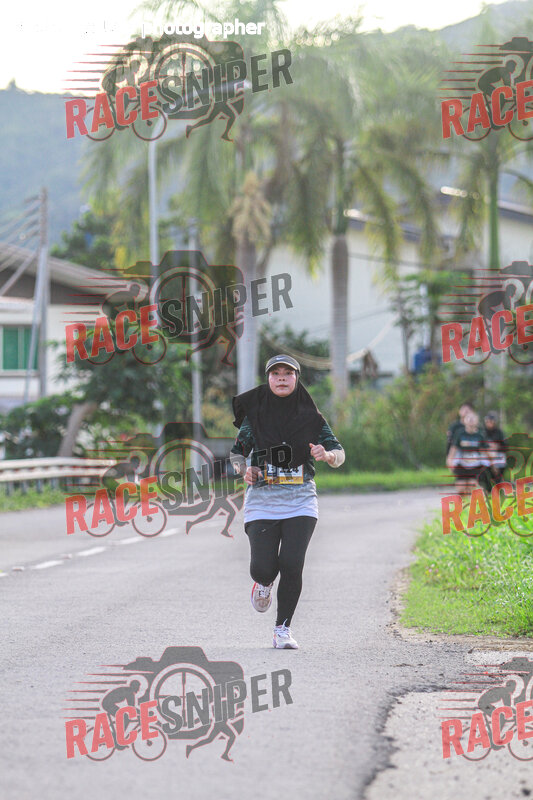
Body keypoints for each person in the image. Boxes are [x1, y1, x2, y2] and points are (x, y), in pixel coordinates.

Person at [230, 354, 345, 650]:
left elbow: (339, 453)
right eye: (276, 373)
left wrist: (327, 455)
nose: (282, 377)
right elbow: (236, 454)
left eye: (288, 373)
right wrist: (244, 471)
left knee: (293, 564)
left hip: (300, 501)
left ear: (297, 378)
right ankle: (264, 583)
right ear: (268, 379)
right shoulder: (255, 417)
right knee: (263, 568)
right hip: (262, 502)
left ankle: (282, 629)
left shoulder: (312, 418)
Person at [446, 410, 491, 495]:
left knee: (472, 486)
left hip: (475, 464)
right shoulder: (459, 433)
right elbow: (453, 449)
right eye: (469, 418)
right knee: (461, 488)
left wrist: (491, 463)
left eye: (473, 418)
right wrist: (450, 461)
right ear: (464, 420)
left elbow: (486, 451)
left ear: (477, 421)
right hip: (462, 463)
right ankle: (462, 502)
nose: (471, 420)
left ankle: (473, 501)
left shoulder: (480, 435)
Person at [482, 411, 507, 485]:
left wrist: (497, 447)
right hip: (486, 455)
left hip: (497, 455)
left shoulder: (499, 432)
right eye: (487, 421)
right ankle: (487, 485)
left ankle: (498, 483)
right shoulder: (482, 432)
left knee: (499, 468)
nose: (489, 423)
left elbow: (505, 446)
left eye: (491, 421)